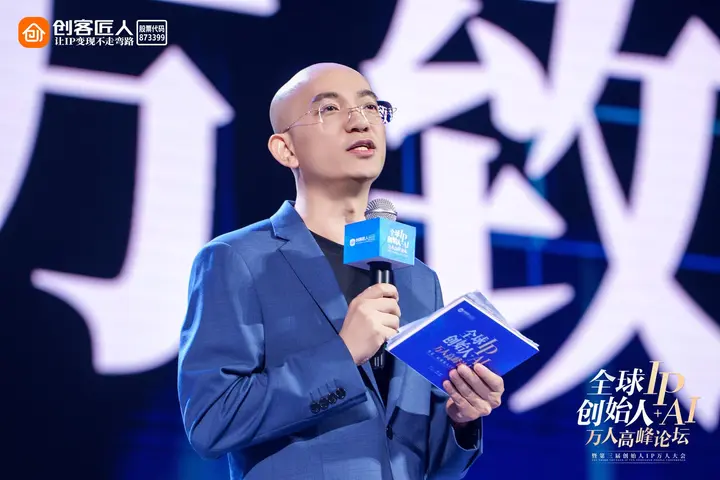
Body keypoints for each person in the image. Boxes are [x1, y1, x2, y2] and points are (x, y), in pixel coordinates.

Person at [177, 63, 505, 479]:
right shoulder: (237, 259)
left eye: (371, 108)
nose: (360, 122)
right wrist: (343, 354)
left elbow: (427, 461)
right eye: (330, 109)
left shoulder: (418, 279)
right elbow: (211, 421)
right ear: (285, 149)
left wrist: (462, 418)